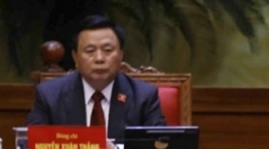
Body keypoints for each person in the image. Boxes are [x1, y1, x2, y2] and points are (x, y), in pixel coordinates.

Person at [26, 15, 166, 141]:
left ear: (121, 55)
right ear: (75, 57)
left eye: (107, 50)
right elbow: (29, 148)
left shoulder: (144, 96)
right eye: (90, 51)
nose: (99, 58)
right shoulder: (50, 95)